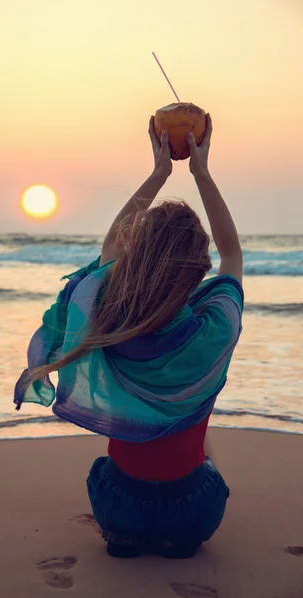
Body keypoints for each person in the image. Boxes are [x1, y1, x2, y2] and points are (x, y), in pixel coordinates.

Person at [14, 114, 244, 559]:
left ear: (134, 257)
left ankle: (127, 536)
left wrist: (159, 172)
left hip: (119, 504)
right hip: (193, 510)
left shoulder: (105, 318)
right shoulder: (213, 332)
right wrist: (201, 171)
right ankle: (179, 539)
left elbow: (110, 249)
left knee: (108, 469)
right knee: (201, 443)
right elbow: (232, 253)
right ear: (199, 269)